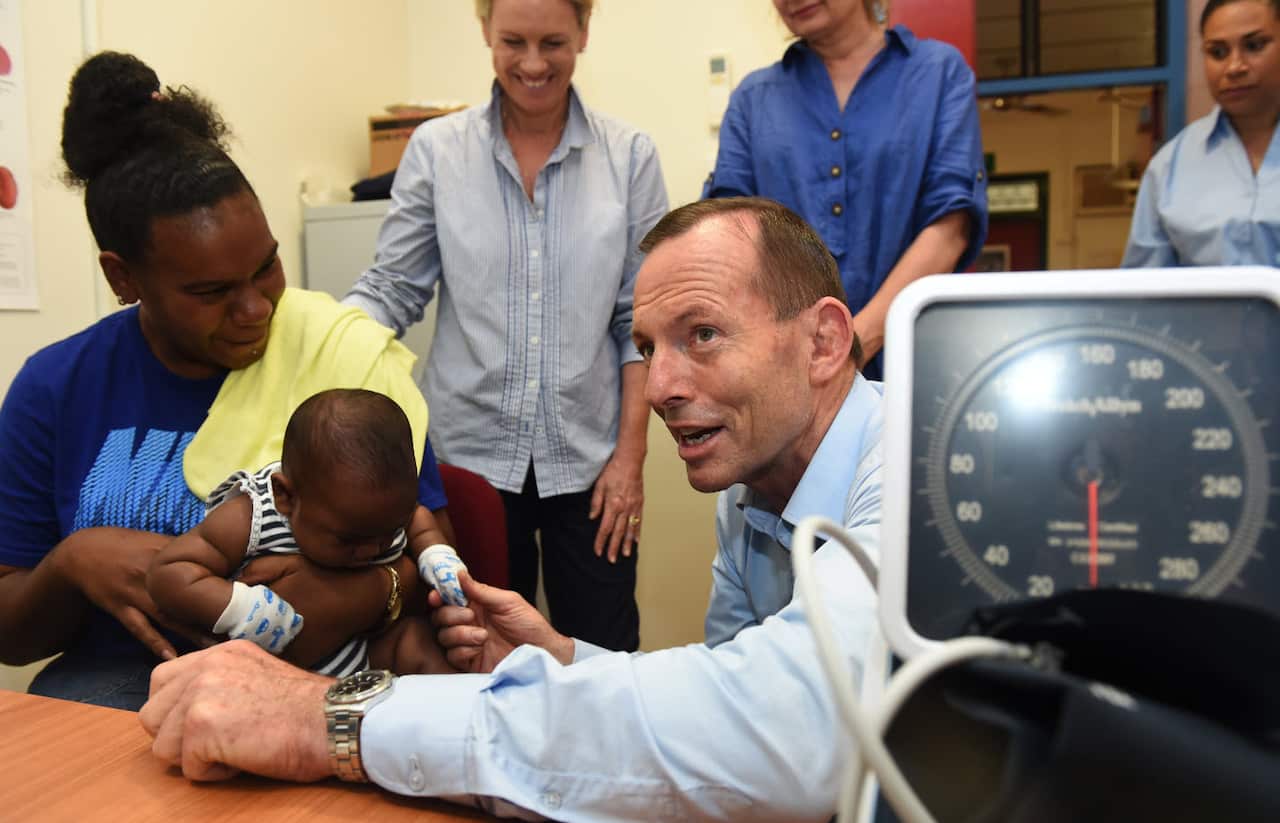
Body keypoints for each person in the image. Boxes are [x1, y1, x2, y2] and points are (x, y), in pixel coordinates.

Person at [140, 197, 885, 822]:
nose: (658, 388)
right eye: (650, 346)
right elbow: (725, 695)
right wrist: (560, 658)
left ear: (822, 341)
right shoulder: (751, 494)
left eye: (703, 335)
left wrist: (326, 717)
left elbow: (770, 732)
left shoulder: (912, 480)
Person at [0, 52, 451, 710]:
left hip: (328, 682)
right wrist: (73, 563)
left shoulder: (339, 352)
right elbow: (10, 632)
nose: (256, 308)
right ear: (124, 279)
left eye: (266, 267)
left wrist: (351, 596)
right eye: (211, 291)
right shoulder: (56, 387)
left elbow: (430, 558)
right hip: (128, 690)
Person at [343, 0, 669, 652]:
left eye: (552, 42)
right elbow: (393, 288)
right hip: (467, 458)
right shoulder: (438, 151)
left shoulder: (629, 157)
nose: (532, 63)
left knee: (601, 658)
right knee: (476, 656)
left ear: (583, 30)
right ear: (485, 31)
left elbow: (639, 322)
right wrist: (317, 341)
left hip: (593, 464)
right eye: (512, 41)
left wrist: (630, 459)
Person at [704, 0, 987, 380]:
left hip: (913, 364)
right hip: (788, 374)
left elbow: (951, 229)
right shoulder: (754, 99)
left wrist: (852, 344)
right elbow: (728, 240)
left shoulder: (938, 74)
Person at [148, 389, 467, 677]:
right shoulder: (251, 516)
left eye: (389, 533)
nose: (372, 551)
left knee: (417, 643)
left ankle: (462, 726)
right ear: (286, 497)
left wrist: (434, 552)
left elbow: (418, 517)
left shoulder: (380, 513)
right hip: (259, 677)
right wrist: (239, 608)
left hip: (362, 656)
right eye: (349, 540)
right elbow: (170, 572)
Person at [1123, 0, 1280, 267]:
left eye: (1254, 46)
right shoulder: (1169, 168)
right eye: (1217, 52)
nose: (1234, 67)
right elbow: (1144, 296)